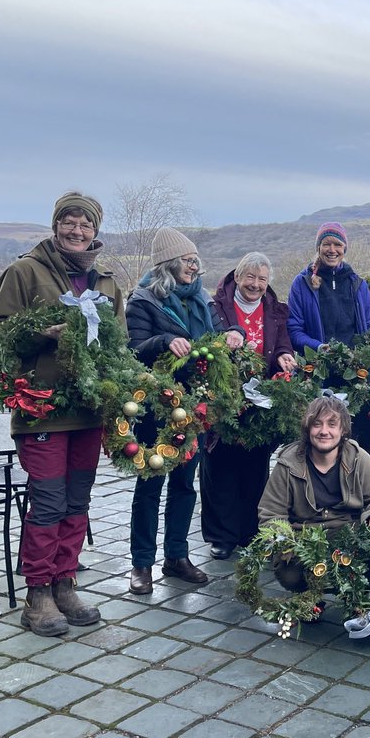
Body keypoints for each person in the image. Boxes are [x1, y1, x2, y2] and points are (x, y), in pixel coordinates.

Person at [0, 192, 124, 636]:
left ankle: (65, 583)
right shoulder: (26, 272)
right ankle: (38, 593)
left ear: (95, 231)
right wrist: (42, 334)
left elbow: (119, 347)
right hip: (43, 411)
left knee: (77, 499)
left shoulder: (107, 283)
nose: (76, 230)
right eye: (69, 221)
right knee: (47, 501)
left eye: (85, 224)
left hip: (88, 412)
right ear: (56, 225)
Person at [126, 228, 245, 594]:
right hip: (158, 409)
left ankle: (176, 556)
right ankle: (141, 563)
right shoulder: (143, 301)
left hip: (196, 407)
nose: (195, 267)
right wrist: (164, 341)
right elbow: (134, 349)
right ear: (170, 264)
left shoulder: (201, 300)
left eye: (196, 261)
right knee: (151, 483)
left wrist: (235, 333)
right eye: (188, 261)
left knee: (184, 485)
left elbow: (221, 328)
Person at [203, 252, 296, 560]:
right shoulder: (217, 307)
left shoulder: (275, 310)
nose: (255, 285)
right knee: (221, 466)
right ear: (238, 277)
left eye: (262, 279)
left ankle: (251, 531)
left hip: (261, 399)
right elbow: (209, 340)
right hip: (225, 397)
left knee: (255, 467)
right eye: (250, 278)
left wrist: (284, 356)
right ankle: (222, 535)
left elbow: (282, 343)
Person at [257, 394, 370, 596]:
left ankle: (368, 601)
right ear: (307, 428)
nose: (324, 431)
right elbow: (270, 513)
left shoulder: (358, 458)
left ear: (343, 430)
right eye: (317, 424)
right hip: (305, 536)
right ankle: (309, 599)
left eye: (332, 424)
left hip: (350, 532)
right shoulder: (288, 463)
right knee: (290, 572)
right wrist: (288, 542)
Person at [285, 222, 370, 459]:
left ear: (345, 248)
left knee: (357, 439)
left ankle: (358, 489)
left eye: (337, 244)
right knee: (319, 437)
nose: (332, 249)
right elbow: (294, 330)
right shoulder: (302, 283)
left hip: (353, 374)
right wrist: (319, 348)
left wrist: (362, 359)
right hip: (317, 371)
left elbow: (365, 330)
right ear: (318, 247)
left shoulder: (358, 284)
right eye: (326, 244)